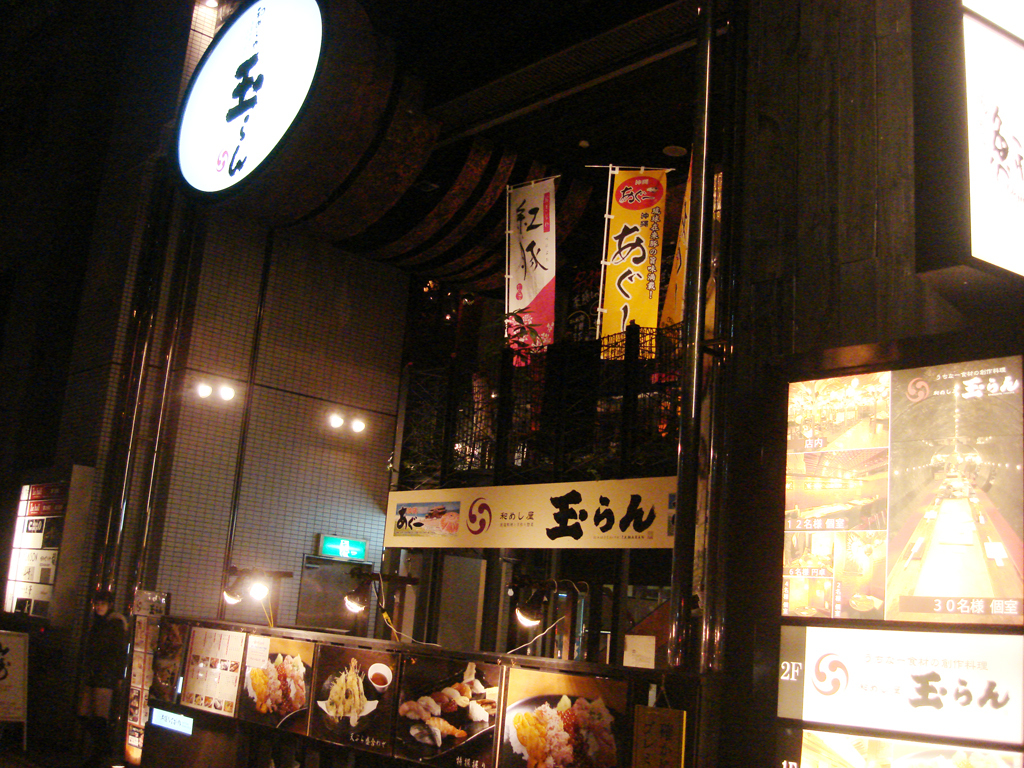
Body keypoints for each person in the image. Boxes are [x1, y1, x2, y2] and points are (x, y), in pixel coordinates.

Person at [78, 588, 127, 768]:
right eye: (97, 604)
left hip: (105, 674)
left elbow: (119, 651)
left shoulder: (114, 623)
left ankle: (99, 755)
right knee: (85, 714)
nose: (99, 607)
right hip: (96, 673)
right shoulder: (100, 622)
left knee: (98, 716)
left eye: (103, 604)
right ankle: (103, 748)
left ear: (110, 605)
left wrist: (118, 676)